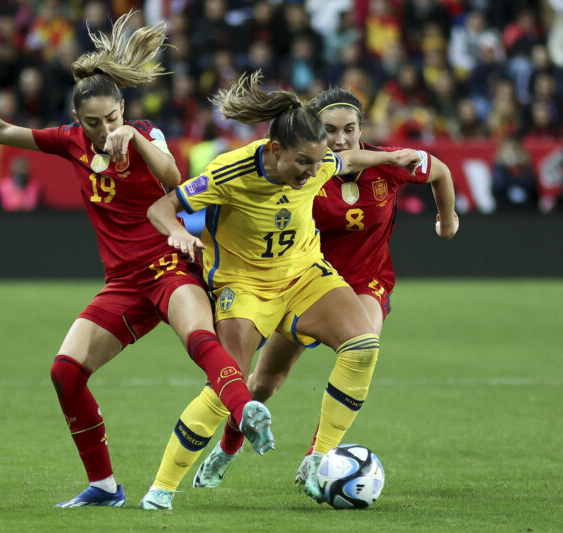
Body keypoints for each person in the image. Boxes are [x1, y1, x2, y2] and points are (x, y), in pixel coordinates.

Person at [0, 12, 273, 508]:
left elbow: (174, 177)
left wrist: (134, 138)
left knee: (199, 340)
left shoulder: (146, 133)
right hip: (123, 283)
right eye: (94, 123)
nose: (105, 130)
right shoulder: (70, 142)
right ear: (78, 120)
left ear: (123, 108)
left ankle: (245, 411)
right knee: (65, 372)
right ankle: (104, 486)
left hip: (169, 268)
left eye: (112, 118)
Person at [139, 73, 424, 510]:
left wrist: (395, 156)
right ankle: (162, 488)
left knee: (363, 345)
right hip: (244, 287)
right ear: (275, 150)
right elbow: (162, 206)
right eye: (303, 163)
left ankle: (318, 458)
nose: (313, 172)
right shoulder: (230, 171)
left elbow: (346, 160)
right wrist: (177, 232)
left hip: (304, 274)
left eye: (318, 162)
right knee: (228, 385)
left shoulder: (320, 161)